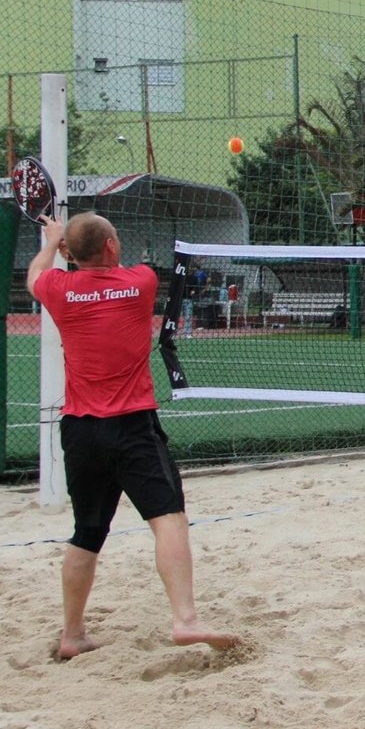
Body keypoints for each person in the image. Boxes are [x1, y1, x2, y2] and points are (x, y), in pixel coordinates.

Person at [27, 212, 240, 660]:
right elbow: (109, 273)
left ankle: (72, 634)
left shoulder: (58, 289)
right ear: (109, 247)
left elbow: (36, 275)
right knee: (169, 519)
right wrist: (71, 246)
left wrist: (51, 243)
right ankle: (185, 621)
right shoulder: (140, 282)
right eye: (115, 236)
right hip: (132, 426)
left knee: (86, 532)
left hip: (80, 431)